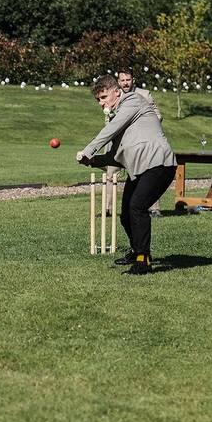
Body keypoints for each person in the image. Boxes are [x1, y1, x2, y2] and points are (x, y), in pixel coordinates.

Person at [76, 74, 177, 275]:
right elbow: (114, 157)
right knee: (126, 215)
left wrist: (88, 150)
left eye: (103, 97)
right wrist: (92, 161)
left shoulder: (132, 101)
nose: (101, 103)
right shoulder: (121, 118)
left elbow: (111, 130)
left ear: (116, 91)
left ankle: (143, 260)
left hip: (160, 164)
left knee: (137, 207)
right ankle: (135, 251)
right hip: (140, 169)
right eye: (98, 100)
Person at [118, 69, 165, 217]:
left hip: (142, 142)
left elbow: (157, 114)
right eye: (122, 80)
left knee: (147, 172)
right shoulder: (116, 96)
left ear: (133, 80)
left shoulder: (144, 94)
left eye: (128, 80)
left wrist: (148, 128)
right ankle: (109, 208)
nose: (125, 83)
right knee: (111, 173)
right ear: (118, 82)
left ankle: (154, 208)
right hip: (121, 142)